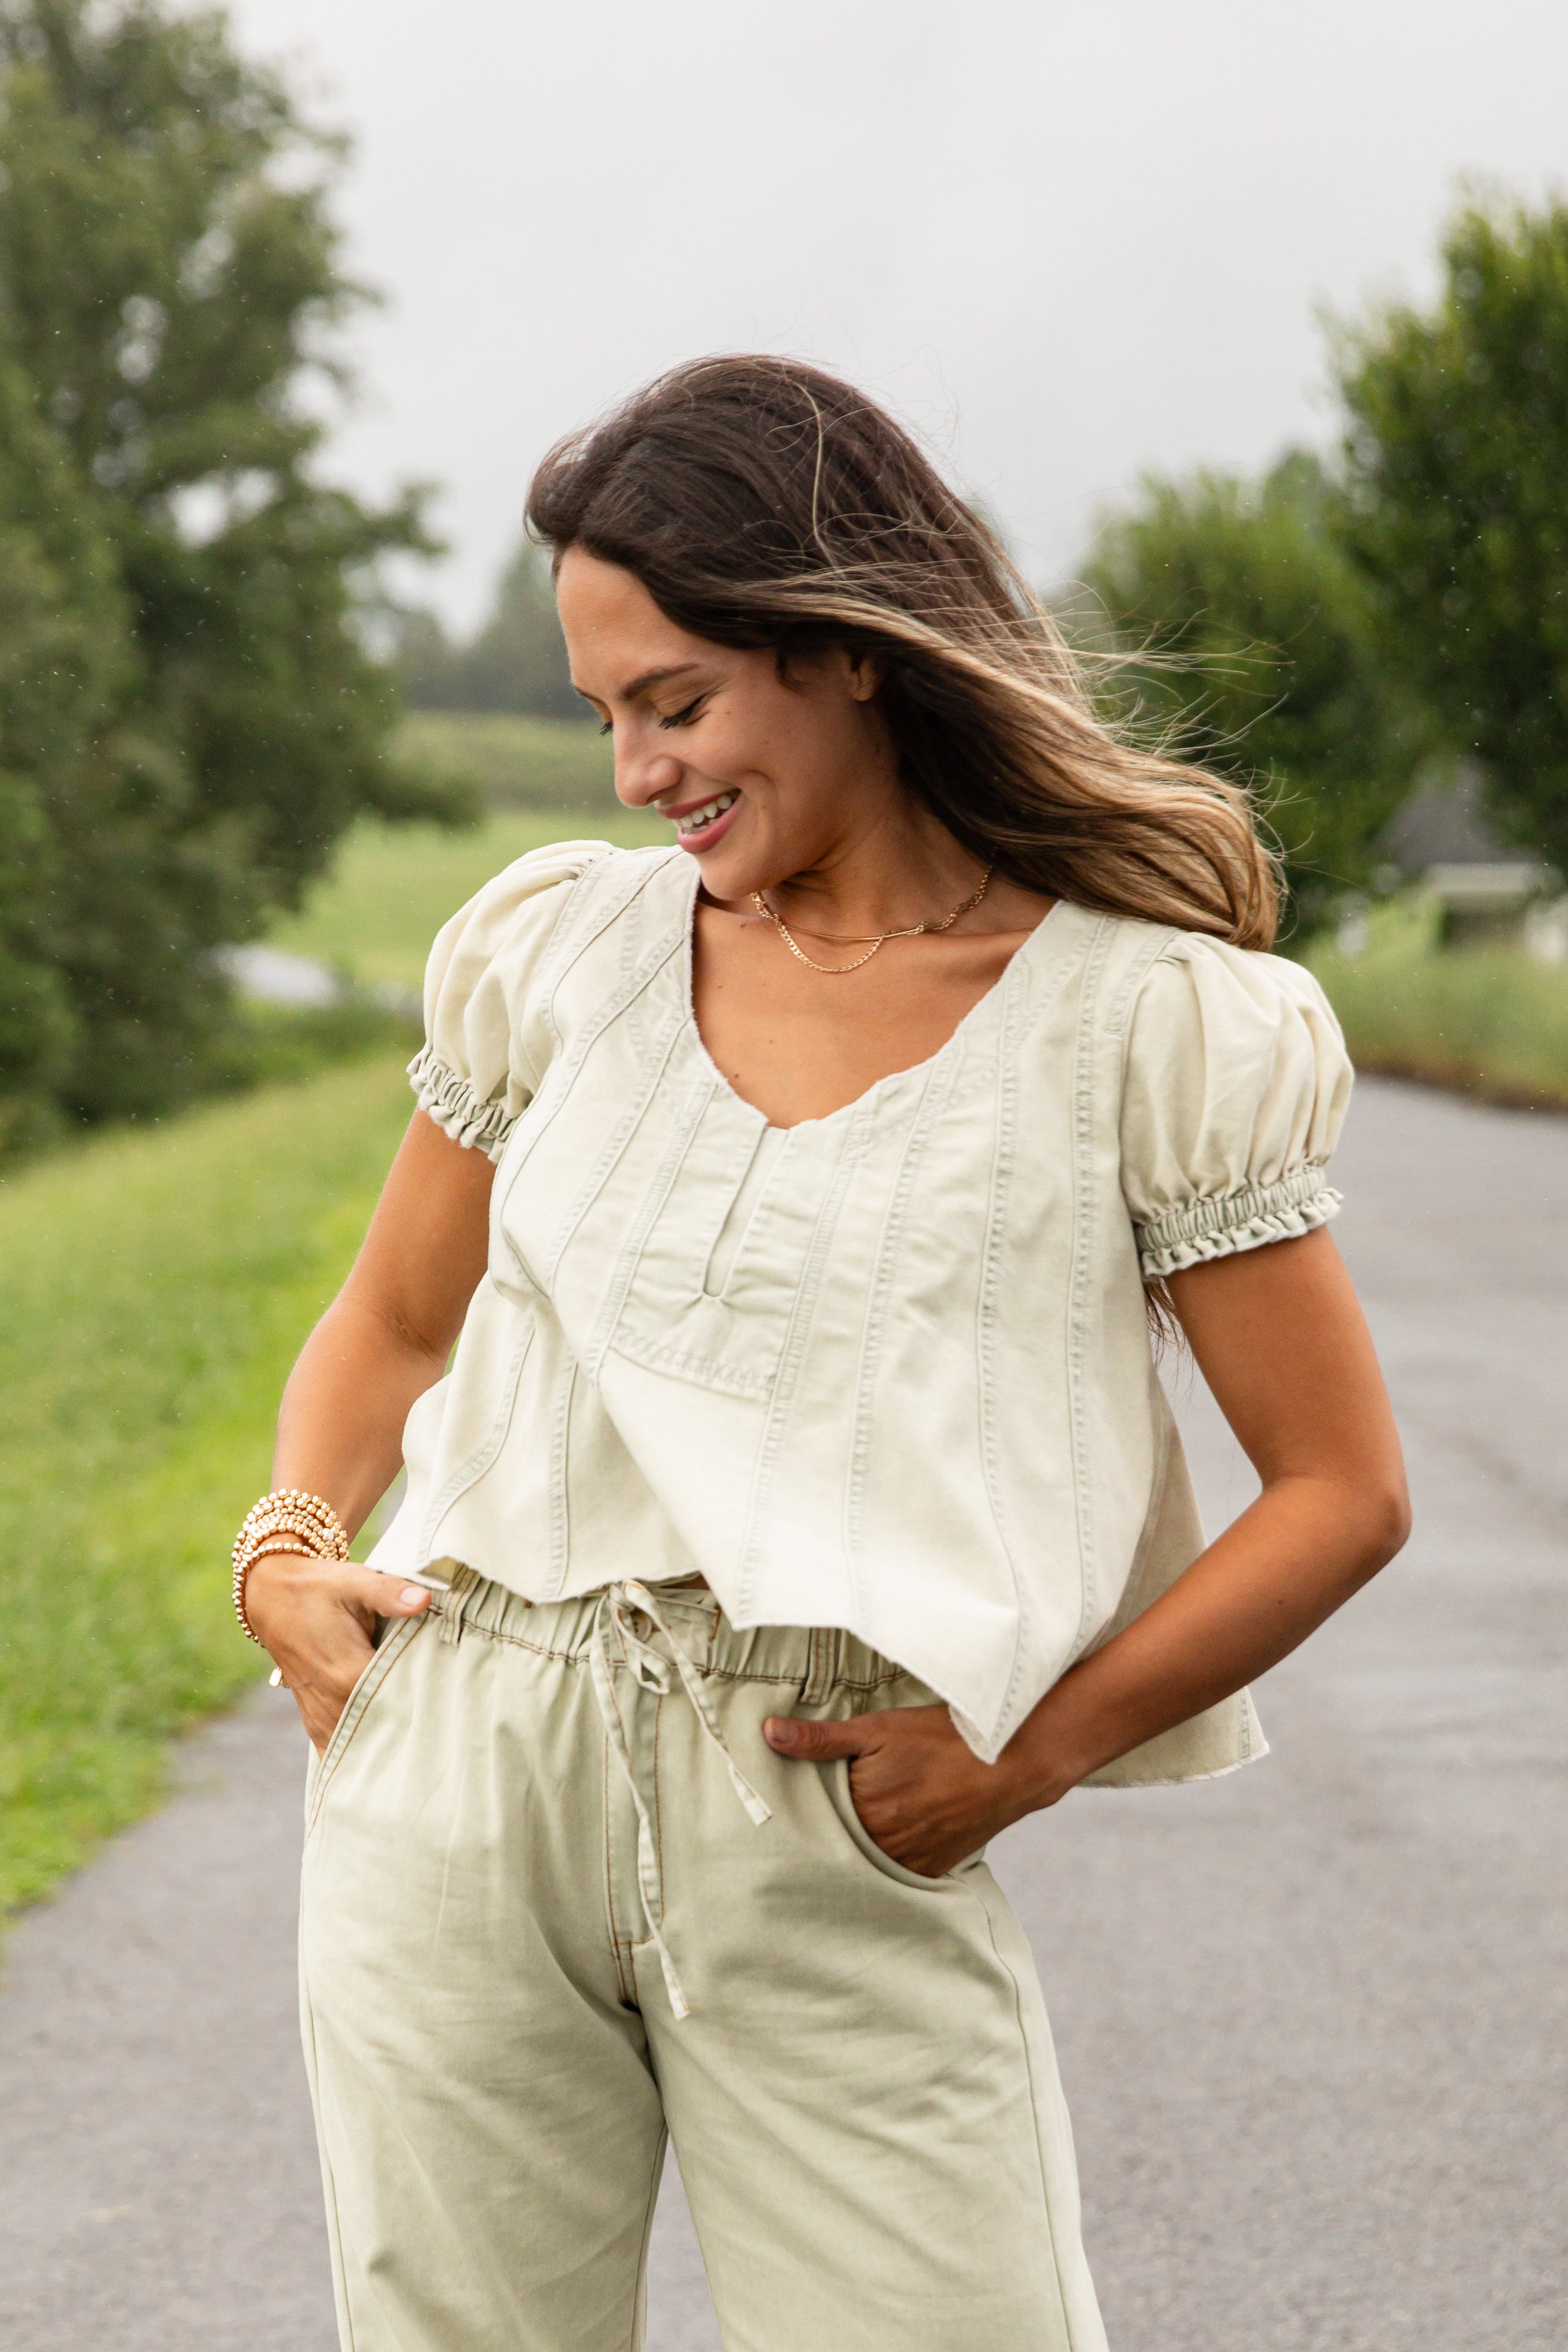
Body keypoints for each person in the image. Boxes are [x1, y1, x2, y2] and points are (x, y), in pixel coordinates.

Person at [236, 356, 1409, 2352]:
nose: (635, 772)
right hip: (459, 1773)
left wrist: (1029, 1754)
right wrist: (283, 1551)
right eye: (604, 716)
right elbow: (395, 1322)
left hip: (827, 1797)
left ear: (851, 650)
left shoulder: (1144, 1023)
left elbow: (1341, 1491)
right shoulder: (557, 952)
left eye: (675, 703)